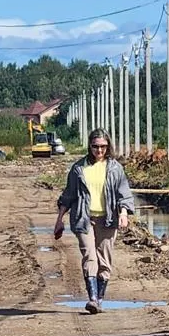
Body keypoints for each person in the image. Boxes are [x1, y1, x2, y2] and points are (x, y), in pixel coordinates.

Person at [52, 128, 135, 314]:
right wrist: (59, 220)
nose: (99, 151)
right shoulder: (79, 169)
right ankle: (93, 298)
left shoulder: (115, 168)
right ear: (89, 146)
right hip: (84, 218)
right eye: (96, 146)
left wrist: (123, 213)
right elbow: (68, 196)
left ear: (108, 146)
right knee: (90, 256)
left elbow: (124, 194)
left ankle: (100, 298)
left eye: (103, 147)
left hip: (108, 219)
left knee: (104, 260)